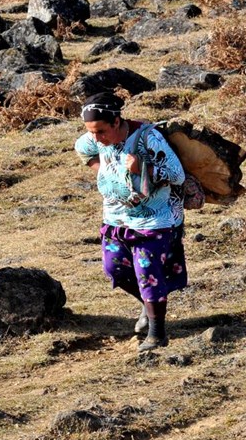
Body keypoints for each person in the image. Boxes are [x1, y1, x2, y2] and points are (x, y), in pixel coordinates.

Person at [75, 93, 188, 351]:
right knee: (114, 267)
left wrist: (143, 170)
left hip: (154, 220)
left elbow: (177, 175)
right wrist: (106, 171)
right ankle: (148, 306)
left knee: (148, 273)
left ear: (116, 121)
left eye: (101, 131)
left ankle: (157, 334)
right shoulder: (95, 139)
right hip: (115, 218)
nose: (96, 138)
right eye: (91, 131)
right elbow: (82, 149)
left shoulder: (149, 138)